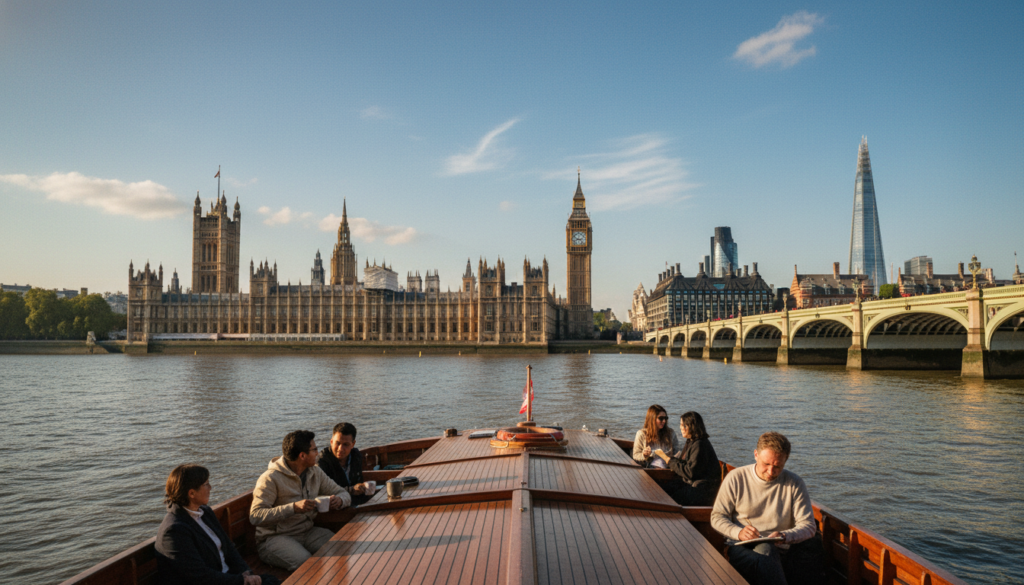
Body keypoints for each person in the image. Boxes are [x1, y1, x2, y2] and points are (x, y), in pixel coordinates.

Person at [711, 432, 824, 585]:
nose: (771, 472)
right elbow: (717, 517)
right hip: (741, 548)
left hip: (782, 549)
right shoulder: (736, 478)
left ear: (786, 461)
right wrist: (739, 532)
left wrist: (785, 536)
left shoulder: (795, 483)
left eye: (778, 466)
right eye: (766, 464)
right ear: (756, 455)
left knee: (769, 550)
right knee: (766, 551)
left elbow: (809, 526)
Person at [155, 464, 281, 585]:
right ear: (191, 493)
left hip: (227, 577)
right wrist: (241, 581)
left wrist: (246, 572)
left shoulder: (205, 512)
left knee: (271, 580)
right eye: (206, 484)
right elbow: (200, 576)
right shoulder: (175, 530)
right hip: (214, 582)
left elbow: (229, 547)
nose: (210, 487)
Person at [249, 430, 351, 572]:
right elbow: (256, 516)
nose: (317, 453)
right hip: (275, 538)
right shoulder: (270, 478)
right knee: (307, 564)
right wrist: (293, 508)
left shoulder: (315, 472)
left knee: (341, 548)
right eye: (314, 450)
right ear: (302, 455)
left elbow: (343, 493)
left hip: (307, 532)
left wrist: (340, 500)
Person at [652, 411, 721, 505]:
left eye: (683, 425)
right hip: (691, 483)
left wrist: (667, 459)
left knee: (666, 498)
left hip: (702, 491)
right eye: (681, 425)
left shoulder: (700, 444)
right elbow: (683, 463)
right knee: (659, 489)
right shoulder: (691, 441)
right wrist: (669, 460)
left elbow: (690, 472)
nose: (681, 428)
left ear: (692, 426)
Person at [317, 422, 372, 505]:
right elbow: (323, 492)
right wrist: (352, 490)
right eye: (337, 443)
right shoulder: (322, 462)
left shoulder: (356, 456)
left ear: (353, 444)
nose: (340, 449)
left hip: (357, 502)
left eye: (346, 444)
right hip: (335, 507)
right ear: (331, 442)